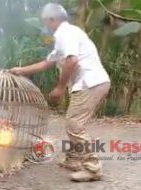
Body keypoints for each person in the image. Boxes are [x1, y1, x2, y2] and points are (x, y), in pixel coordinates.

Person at [10, 3, 111, 182]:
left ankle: (93, 168)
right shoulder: (68, 34)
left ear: (52, 20)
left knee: (75, 125)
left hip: (90, 83)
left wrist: (59, 87)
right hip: (94, 82)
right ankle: (74, 159)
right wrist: (21, 70)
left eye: (45, 22)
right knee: (75, 123)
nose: (45, 26)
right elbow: (48, 62)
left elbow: (72, 61)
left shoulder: (65, 34)